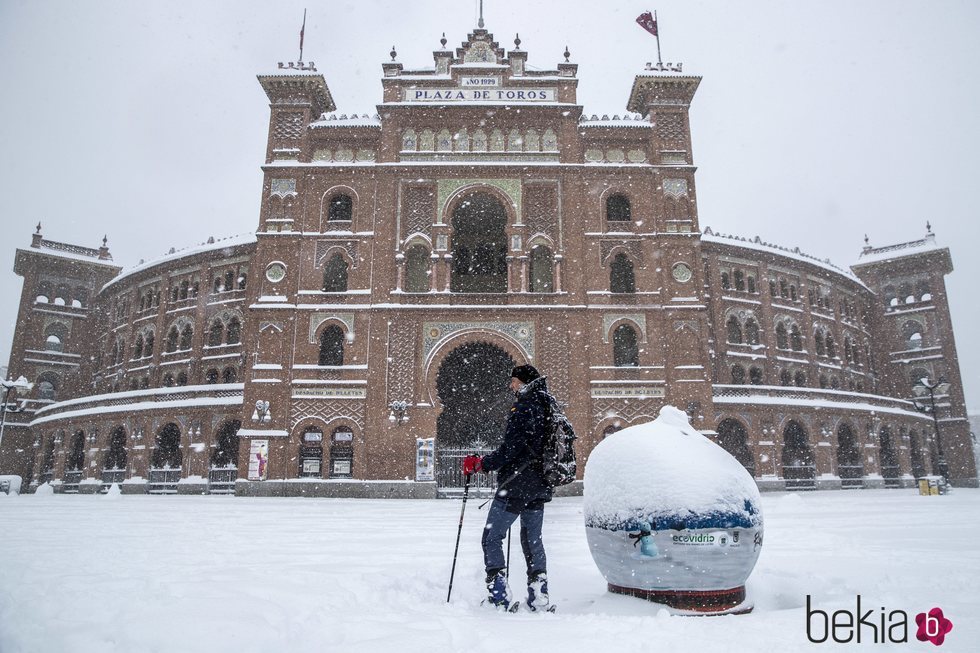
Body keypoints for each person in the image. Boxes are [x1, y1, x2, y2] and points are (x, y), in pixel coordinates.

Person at [462, 364, 555, 611]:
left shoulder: (524, 407)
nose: (511, 385)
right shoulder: (547, 405)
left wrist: (483, 463)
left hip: (516, 485)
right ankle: (539, 597)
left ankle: (498, 597)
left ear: (524, 382)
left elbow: (511, 449)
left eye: (514, 381)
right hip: (539, 485)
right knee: (532, 539)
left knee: (491, 537)